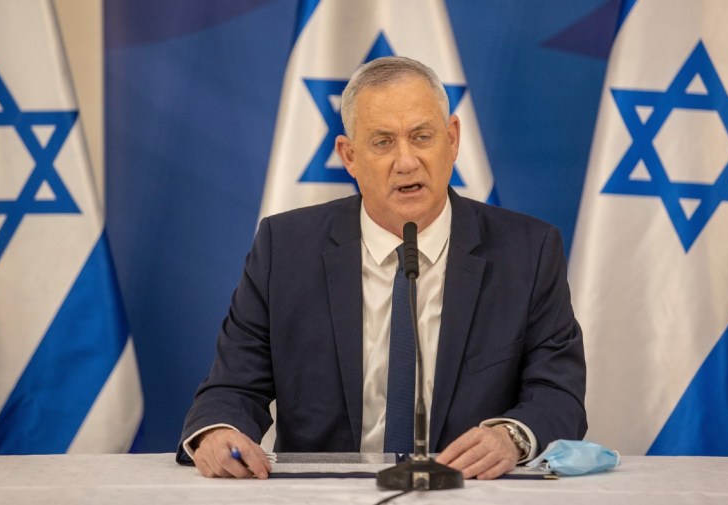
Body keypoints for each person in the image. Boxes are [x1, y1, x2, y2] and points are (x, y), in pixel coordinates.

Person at [177, 56, 586, 480]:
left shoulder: (527, 251)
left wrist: (511, 437)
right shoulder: (286, 248)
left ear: (453, 139)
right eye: (383, 142)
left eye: (422, 137)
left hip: (468, 491)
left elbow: (559, 395)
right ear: (349, 156)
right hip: (324, 495)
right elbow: (232, 386)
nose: (406, 162)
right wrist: (219, 431)